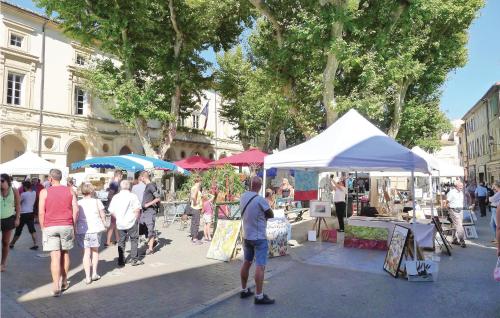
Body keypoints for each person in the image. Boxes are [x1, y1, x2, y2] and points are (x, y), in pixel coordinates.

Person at [38, 169, 78, 296]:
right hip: (66, 225)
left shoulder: (44, 192)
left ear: (50, 178)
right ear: (60, 178)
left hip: (50, 226)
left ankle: (56, 286)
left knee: (55, 256)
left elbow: (41, 212)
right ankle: (65, 281)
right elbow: (76, 209)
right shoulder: (70, 190)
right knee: (65, 253)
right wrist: (74, 225)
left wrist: (42, 227)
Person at [239, 176, 275, 305]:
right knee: (260, 266)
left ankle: (244, 290)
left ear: (250, 185)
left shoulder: (243, 197)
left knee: (247, 262)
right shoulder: (260, 199)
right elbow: (271, 214)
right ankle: (259, 296)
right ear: (260, 187)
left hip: (247, 236)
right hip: (259, 237)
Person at [76, 183, 107, 284]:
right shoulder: (97, 201)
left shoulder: (79, 203)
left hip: (82, 229)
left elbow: (76, 216)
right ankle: (94, 273)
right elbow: (103, 215)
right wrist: (105, 223)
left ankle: (87, 277)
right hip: (95, 228)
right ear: (92, 191)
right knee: (95, 251)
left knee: (86, 253)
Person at [108, 180, 143, 266]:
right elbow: (137, 209)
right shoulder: (133, 196)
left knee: (121, 241)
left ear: (120, 187)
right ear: (129, 187)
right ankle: (134, 259)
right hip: (131, 221)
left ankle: (121, 260)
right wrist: (136, 218)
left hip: (120, 222)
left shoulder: (116, 197)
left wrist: (118, 217)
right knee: (134, 240)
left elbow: (111, 210)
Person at [1, 174, 21, 272]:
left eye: (2, 181)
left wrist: (17, 218)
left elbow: (18, 206)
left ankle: (3, 263)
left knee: (5, 242)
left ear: (7, 181)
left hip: (8, 219)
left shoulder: (14, 191)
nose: (0, 183)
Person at [10, 181, 38, 250]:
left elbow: (17, 202)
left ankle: (12, 243)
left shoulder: (23, 194)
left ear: (25, 187)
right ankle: (35, 244)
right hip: (31, 213)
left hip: (23, 214)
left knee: (18, 230)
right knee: (32, 229)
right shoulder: (34, 193)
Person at [140, 171, 160, 255]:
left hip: (149, 211)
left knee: (150, 229)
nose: (140, 179)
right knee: (143, 228)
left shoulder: (151, 186)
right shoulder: (148, 186)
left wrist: (148, 204)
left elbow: (158, 198)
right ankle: (152, 242)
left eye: (140, 177)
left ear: (143, 177)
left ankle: (150, 249)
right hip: (145, 212)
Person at [446, 181, 466, 248]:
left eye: (462, 185)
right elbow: (447, 201)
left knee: (457, 225)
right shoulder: (451, 192)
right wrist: (448, 209)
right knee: (459, 225)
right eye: (460, 185)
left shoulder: (461, 192)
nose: (461, 187)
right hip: (454, 210)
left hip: (460, 210)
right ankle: (462, 241)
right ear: (456, 186)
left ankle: (454, 239)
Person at [106, 170, 122, 247]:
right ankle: (108, 241)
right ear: (119, 176)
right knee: (113, 224)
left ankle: (118, 239)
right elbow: (110, 195)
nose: (121, 178)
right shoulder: (114, 184)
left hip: (114, 206)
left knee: (114, 223)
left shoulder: (114, 183)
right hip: (114, 207)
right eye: (121, 176)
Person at [190, 177, 203, 244]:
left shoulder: (193, 187)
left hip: (193, 207)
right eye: (201, 182)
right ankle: (195, 238)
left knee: (193, 222)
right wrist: (195, 202)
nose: (201, 183)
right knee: (196, 223)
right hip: (196, 207)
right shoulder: (196, 188)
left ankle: (193, 236)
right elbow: (193, 197)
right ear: (199, 181)